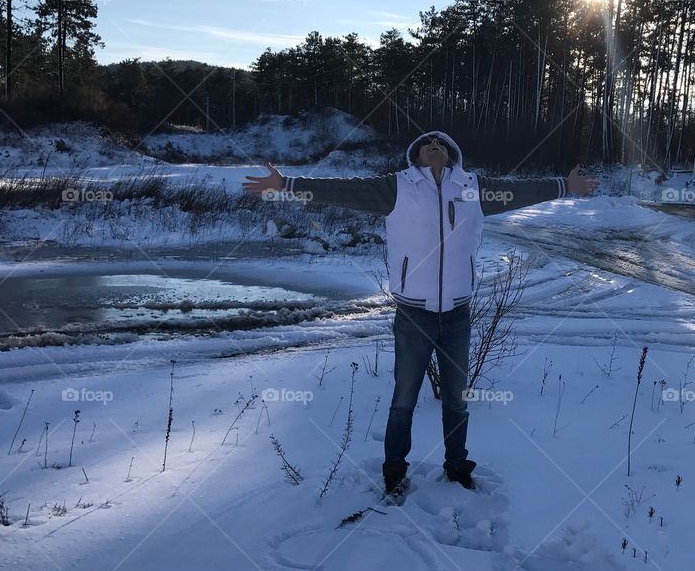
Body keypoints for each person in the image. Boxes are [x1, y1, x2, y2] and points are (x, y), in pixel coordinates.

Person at [243, 131, 599, 496]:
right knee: (404, 400)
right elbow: (344, 190)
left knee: (458, 400)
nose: (435, 146)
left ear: (452, 154)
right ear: (415, 155)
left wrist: (564, 185)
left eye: (441, 143)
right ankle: (395, 470)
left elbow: (520, 190)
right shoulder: (397, 187)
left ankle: (457, 465)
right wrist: (286, 183)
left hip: (459, 313)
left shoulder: (473, 188)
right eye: (427, 143)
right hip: (414, 315)